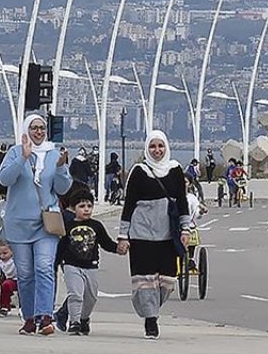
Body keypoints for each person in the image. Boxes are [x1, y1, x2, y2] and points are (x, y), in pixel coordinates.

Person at [0, 113, 72, 336]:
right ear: (26, 130)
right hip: (18, 224)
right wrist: (23, 157)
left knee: (44, 267)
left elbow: (63, 188)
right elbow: (4, 179)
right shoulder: (15, 152)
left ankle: (45, 316)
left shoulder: (53, 154)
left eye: (42, 128)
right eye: (34, 128)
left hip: (46, 223)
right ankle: (29, 317)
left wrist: (61, 168)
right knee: (25, 274)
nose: (38, 132)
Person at [118, 130, 190, 339]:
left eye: (160, 146)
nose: (157, 150)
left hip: (168, 235)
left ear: (166, 147)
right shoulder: (139, 171)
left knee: (167, 281)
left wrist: (185, 228)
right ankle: (151, 320)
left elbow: (182, 201)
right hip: (141, 234)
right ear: (146, 149)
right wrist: (123, 235)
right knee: (145, 280)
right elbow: (129, 205)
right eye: (152, 146)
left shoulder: (175, 169)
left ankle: (149, 307)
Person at [53, 189, 120, 335]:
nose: (86, 209)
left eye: (89, 206)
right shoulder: (68, 226)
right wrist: (55, 264)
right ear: (74, 208)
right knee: (75, 294)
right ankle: (74, 322)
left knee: (91, 297)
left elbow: (106, 243)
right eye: (82, 206)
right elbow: (61, 247)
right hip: (71, 265)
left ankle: (84, 319)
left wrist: (118, 248)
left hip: (91, 266)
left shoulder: (97, 226)